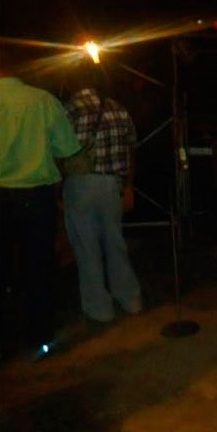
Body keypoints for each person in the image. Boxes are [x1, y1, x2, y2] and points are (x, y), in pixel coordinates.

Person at [0, 44, 81, 357]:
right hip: (36, 196)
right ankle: (39, 335)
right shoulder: (42, 100)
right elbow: (67, 148)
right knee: (38, 267)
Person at [62, 64, 142, 323]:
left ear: (73, 82)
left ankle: (100, 309)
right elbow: (131, 149)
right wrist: (128, 186)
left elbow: (58, 150)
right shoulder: (117, 108)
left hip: (81, 183)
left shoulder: (69, 109)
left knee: (87, 247)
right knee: (115, 242)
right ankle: (130, 298)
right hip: (112, 184)